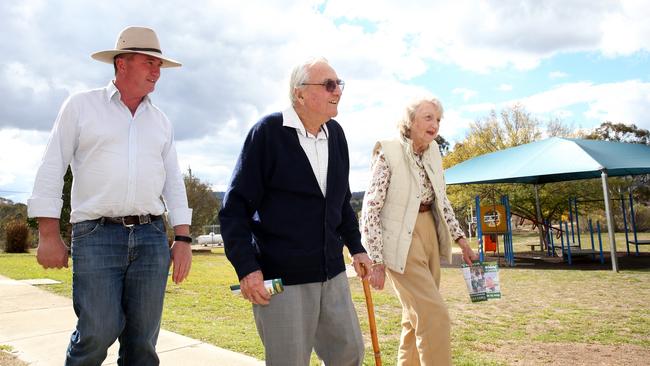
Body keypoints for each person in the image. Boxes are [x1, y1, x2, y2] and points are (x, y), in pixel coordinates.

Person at [27, 26, 192, 366]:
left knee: (142, 344)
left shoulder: (161, 122)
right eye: (149, 62)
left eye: (159, 64)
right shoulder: (80, 106)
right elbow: (51, 166)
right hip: (95, 235)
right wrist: (47, 234)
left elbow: (173, 181)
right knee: (97, 333)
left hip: (150, 238)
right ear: (122, 64)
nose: (157, 71)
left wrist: (183, 237)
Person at [219, 57, 372, 366]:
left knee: (350, 354)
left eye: (338, 84)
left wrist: (356, 248)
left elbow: (340, 201)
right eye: (329, 84)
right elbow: (235, 208)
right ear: (300, 94)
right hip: (283, 277)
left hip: (333, 273)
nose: (338, 91)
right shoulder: (267, 132)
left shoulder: (337, 134)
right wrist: (247, 268)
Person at [360, 97, 479, 365]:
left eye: (438, 119)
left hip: (430, 234)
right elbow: (371, 208)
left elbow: (442, 199)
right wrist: (376, 260)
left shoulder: (434, 151)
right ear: (410, 122)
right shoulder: (388, 151)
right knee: (434, 315)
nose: (434, 124)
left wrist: (462, 240)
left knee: (415, 317)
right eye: (428, 117)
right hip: (400, 238)